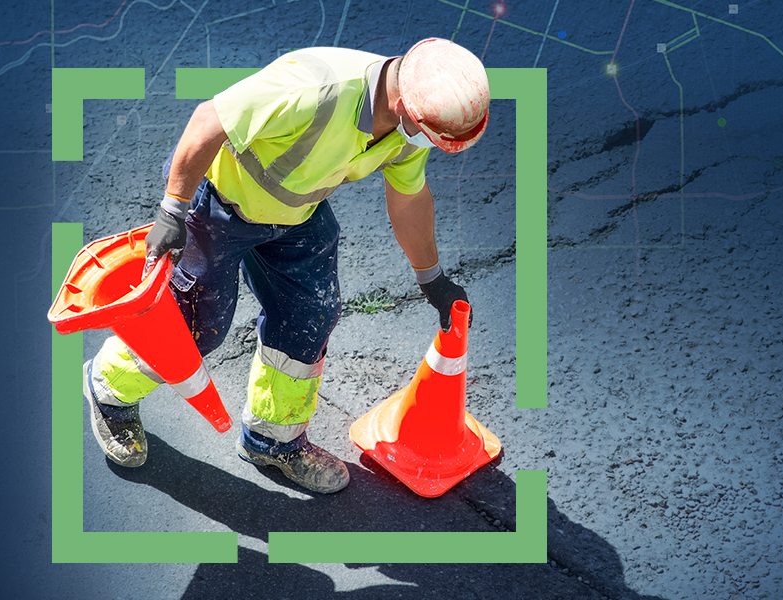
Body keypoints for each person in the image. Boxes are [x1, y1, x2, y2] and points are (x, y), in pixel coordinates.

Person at [85, 38, 490, 494]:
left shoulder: (407, 120)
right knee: (193, 326)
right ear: (406, 106)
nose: (427, 145)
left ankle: (272, 441)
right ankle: (108, 390)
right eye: (431, 136)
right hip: (219, 201)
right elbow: (208, 120)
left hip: (298, 212)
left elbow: (409, 196)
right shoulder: (313, 88)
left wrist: (431, 278)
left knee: (309, 317)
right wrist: (172, 211)